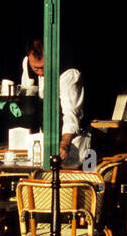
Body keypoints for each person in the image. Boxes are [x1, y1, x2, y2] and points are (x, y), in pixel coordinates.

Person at [21, 38, 88, 167]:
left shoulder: (68, 73)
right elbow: (28, 92)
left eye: (44, 67)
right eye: (36, 68)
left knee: (73, 180)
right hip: (43, 137)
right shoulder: (27, 63)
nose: (41, 73)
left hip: (73, 141)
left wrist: (64, 144)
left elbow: (71, 113)